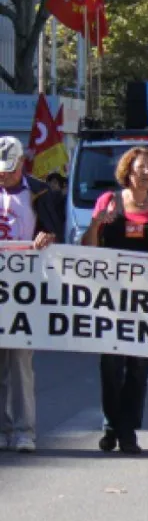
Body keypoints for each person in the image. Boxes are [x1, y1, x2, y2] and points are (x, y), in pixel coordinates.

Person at [81, 146, 148, 455]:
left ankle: (128, 431)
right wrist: (97, 222)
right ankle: (111, 425)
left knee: (138, 366)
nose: (146, 173)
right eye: (140, 168)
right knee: (110, 365)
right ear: (128, 172)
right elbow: (89, 247)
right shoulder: (108, 201)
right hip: (110, 298)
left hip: (146, 301)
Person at [0, 136, 64, 454]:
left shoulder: (40, 193)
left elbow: (59, 234)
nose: (3, 176)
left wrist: (48, 236)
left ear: (21, 164)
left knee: (20, 362)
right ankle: (2, 428)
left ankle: (24, 430)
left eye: (8, 171)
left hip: (24, 288)